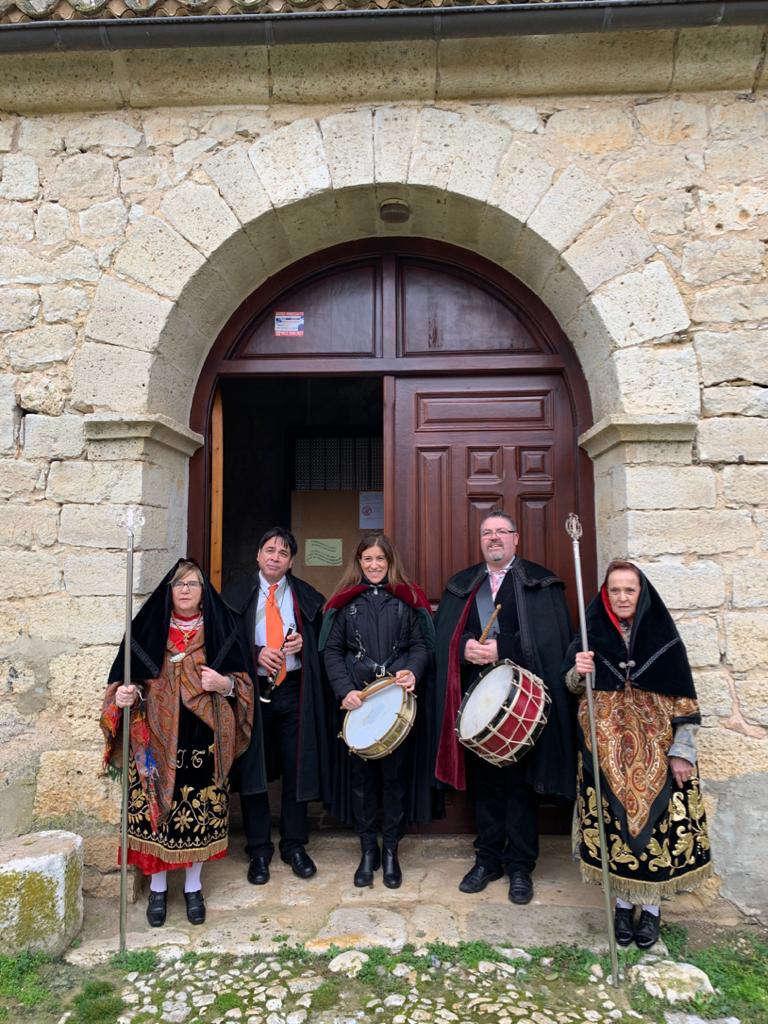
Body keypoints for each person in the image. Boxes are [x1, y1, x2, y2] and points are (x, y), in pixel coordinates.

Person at [564, 560, 712, 950]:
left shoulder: (663, 637)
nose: (623, 597)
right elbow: (571, 687)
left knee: (657, 834)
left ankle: (651, 911)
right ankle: (621, 903)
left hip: (659, 758)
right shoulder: (589, 632)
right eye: (615, 590)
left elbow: (684, 698)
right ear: (606, 595)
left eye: (630, 590)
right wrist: (579, 671)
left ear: (641, 593)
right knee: (614, 830)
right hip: (605, 755)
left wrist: (683, 751)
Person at [101, 559, 253, 928]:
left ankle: (193, 887)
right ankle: (156, 888)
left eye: (193, 584)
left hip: (204, 738)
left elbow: (244, 684)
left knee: (198, 814)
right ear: (169, 591)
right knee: (158, 811)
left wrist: (226, 685)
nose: (185, 590)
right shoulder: (147, 630)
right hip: (154, 737)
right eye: (178, 584)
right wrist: (124, 696)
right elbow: (126, 681)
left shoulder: (224, 628)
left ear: (204, 593)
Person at [433, 510, 575, 905]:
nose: (494, 538)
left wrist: (503, 648)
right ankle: (488, 859)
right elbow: (443, 638)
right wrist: (464, 648)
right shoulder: (463, 585)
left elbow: (551, 643)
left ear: (516, 538)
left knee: (520, 785)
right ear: (481, 541)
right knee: (485, 784)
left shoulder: (540, 583)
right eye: (487, 533)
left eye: (501, 532)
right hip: (476, 701)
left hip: (522, 705)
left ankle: (520, 866)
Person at [321, 534, 434, 888]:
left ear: (389, 562)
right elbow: (332, 651)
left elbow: (421, 645)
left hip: (396, 705)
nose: (373, 565)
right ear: (359, 562)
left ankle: (390, 853)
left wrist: (413, 669)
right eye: (367, 559)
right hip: (360, 705)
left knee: (394, 780)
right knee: (361, 783)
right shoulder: (344, 604)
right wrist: (345, 690)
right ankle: (367, 850)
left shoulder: (406, 600)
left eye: (379, 559)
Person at [223, 528, 331, 886]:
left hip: (293, 692)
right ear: (258, 555)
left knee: (296, 769)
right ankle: (258, 849)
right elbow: (223, 647)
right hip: (252, 694)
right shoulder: (236, 596)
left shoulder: (306, 596)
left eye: (283, 553)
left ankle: (294, 844)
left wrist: (303, 643)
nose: (275, 557)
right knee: (254, 771)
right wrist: (256, 653)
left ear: (290, 561)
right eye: (269, 550)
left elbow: (325, 645)